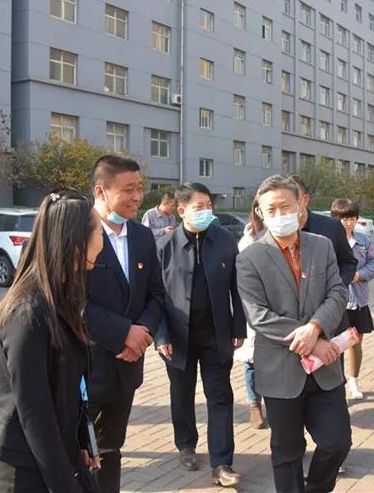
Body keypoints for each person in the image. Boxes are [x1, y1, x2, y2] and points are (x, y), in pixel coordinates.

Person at [0, 189, 103, 492]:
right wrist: (65, 483)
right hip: (23, 468)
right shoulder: (28, 312)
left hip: (55, 453)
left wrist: (79, 442)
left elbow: (67, 386)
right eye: (99, 231)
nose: (104, 238)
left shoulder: (62, 296)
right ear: (77, 241)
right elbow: (34, 411)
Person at [236, 176, 350, 493]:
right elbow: (258, 316)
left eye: (285, 206)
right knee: (287, 453)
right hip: (280, 370)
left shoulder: (321, 245)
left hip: (325, 369)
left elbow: (337, 293)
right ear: (260, 213)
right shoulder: (249, 257)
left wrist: (316, 328)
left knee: (337, 442)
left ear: (300, 205)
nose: (279, 214)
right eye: (271, 209)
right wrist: (311, 342)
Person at [155, 183, 246, 487]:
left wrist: (238, 327)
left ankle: (222, 462)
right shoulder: (164, 247)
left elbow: (237, 288)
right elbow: (154, 297)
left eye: (209, 205)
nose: (207, 211)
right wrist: (160, 335)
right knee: (181, 394)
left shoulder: (225, 241)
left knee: (220, 396)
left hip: (216, 333)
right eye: (199, 207)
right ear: (181, 211)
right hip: (177, 336)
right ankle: (186, 446)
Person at [83, 155, 165, 493]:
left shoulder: (143, 236)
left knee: (111, 448)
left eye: (140, 188)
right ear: (101, 191)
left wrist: (141, 335)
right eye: (128, 189)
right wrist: (122, 335)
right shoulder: (79, 233)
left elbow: (156, 294)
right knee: (79, 450)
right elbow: (71, 302)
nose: (137, 197)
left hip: (128, 365)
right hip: (87, 365)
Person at [330, 199, 374, 400]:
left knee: (356, 343)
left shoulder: (363, 240)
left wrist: (359, 275)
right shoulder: (328, 241)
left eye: (352, 218)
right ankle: (337, 386)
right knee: (337, 345)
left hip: (359, 300)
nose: (348, 223)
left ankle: (353, 380)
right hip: (337, 302)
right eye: (344, 219)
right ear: (335, 219)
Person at [234, 217, 268, 430]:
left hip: (282, 307)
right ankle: (255, 404)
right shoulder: (248, 239)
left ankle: (275, 403)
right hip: (254, 306)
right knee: (252, 361)